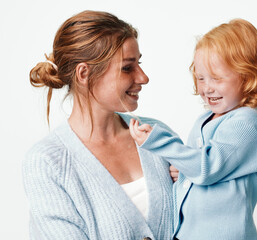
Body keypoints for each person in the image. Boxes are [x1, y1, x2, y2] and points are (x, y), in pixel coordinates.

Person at [23, 10, 175, 240]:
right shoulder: (47, 163)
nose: (143, 77)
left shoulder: (157, 135)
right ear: (84, 73)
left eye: (139, 64)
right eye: (127, 67)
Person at [130, 19, 257, 240]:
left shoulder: (247, 123)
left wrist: (158, 141)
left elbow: (207, 167)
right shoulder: (205, 119)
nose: (207, 87)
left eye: (217, 79)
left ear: (249, 76)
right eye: (201, 78)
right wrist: (183, 172)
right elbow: (201, 170)